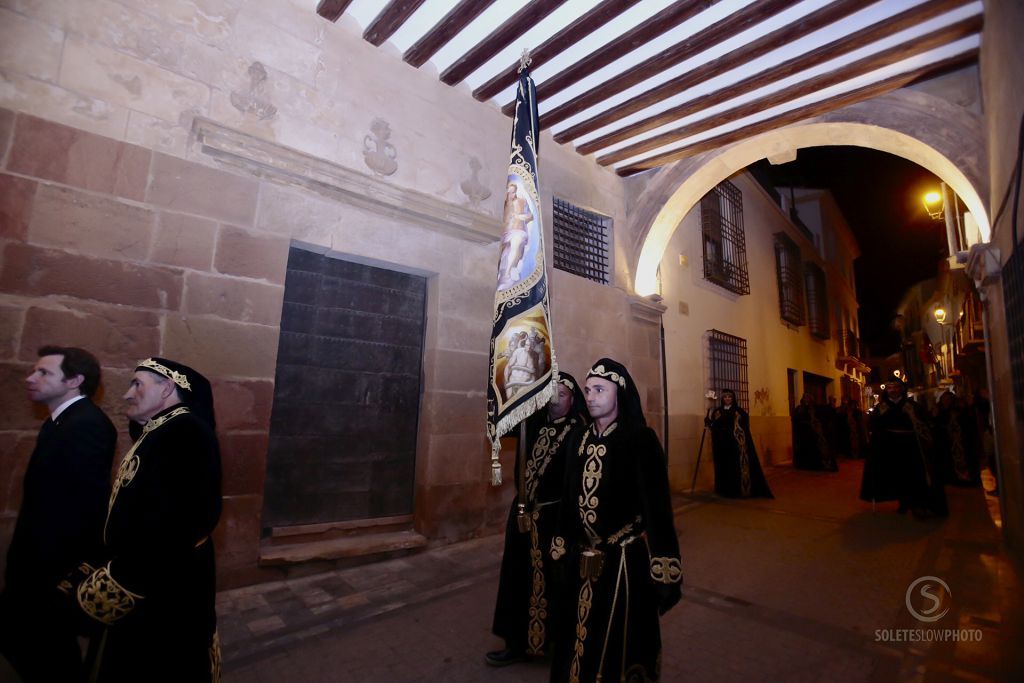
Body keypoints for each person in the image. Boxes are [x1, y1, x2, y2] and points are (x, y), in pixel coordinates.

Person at [61, 357, 223, 682]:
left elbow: (172, 526)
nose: (127, 393)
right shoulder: (161, 430)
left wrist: (109, 585)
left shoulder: (185, 431)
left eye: (138, 384)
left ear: (167, 389)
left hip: (166, 589)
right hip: (150, 578)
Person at [549, 359, 682, 683]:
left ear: (619, 394)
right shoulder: (577, 438)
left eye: (599, 390)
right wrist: (562, 547)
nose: (590, 396)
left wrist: (665, 570)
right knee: (576, 636)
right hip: (582, 560)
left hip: (624, 564)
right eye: (588, 390)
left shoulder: (640, 440)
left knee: (616, 644)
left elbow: (658, 510)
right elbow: (568, 499)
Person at [0, 346, 116, 682]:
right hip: (34, 567)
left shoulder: (87, 425)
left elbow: (82, 508)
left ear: (75, 381)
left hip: (49, 573)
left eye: (44, 373)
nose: (30, 378)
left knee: (47, 655)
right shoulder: (61, 421)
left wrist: (58, 580)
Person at [487, 372, 587, 667]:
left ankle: (555, 645)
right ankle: (515, 643)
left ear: (573, 400)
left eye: (563, 394)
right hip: (522, 517)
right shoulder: (532, 423)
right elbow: (499, 426)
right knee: (516, 579)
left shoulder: (578, 433)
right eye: (552, 393)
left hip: (554, 520)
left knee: (556, 584)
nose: (556, 399)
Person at [860, 378, 947, 518]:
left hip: (911, 448)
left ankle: (917, 504)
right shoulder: (881, 408)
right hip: (890, 449)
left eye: (896, 387)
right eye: (889, 388)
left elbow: (922, 425)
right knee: (897, 477)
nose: (893, 390)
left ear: (901, 389)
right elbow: (875, 427)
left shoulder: (912, 406)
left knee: (914, 475)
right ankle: (903, 503)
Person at [707, 388, 773, 498]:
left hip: (735, 446)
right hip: (722, 447)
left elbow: (743, 428)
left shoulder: (739, 412)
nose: (727, 399)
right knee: (724, 468)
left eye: (729, 397)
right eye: (725, 397)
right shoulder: (717, 412)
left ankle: (736, 490)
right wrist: (709, 423)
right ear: (722, 399)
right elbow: (715, 427)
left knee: (735, 469)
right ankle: (724, 490)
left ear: (733, 399)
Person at [931, 390, 980, 487]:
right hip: (948, 444)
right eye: (945, 399)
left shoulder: (958, 410)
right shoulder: (939, 411)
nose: (947, 401)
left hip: (961, 443)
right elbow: (936, 428)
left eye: (949, 399)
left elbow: (968, 424)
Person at [497, 182, 533, 289]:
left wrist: (519, 216)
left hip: (518, 230)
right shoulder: (502, 204)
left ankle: (507, 274)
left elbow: (530, 215)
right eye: (509, 193)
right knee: (502, 254)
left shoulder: (521, 202)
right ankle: (504, 273)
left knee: (517, 243)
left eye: (513, 192)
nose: (512, 195)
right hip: (503, 233)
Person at [791, 393, 837, 471]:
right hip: (805, 434)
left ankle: (823, 464)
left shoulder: (816, 408)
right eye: (805, 398)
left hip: (815, 433)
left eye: (808, 398)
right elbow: (796, 419)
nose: (806, 399)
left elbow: (827, 411)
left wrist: (831, 403)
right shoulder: (799, 409)